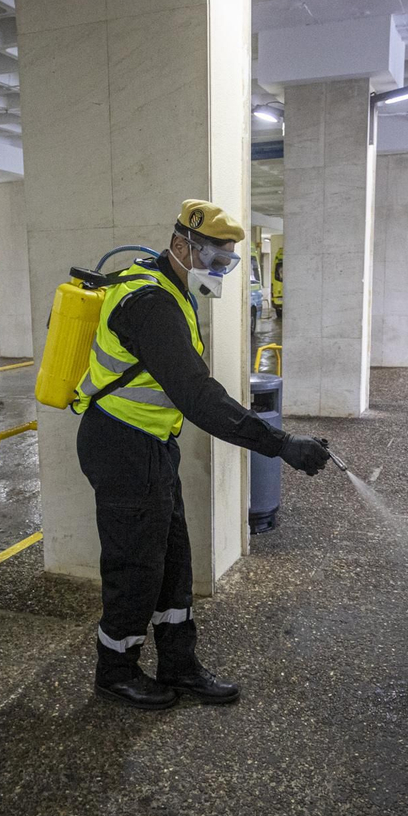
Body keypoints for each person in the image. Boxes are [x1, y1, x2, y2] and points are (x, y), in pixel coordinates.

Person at [73, 199, 333, 710]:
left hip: (150, 446)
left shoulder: (168, 288)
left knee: (172, 560)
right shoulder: (149, 303)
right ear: (180, 246)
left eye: (227, 263)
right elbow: (197, 396)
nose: (219, 272)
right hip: (123, 447)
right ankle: (115, 671)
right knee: (134, 566)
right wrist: (279, 445)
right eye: (213, 259)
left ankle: (178, 664)